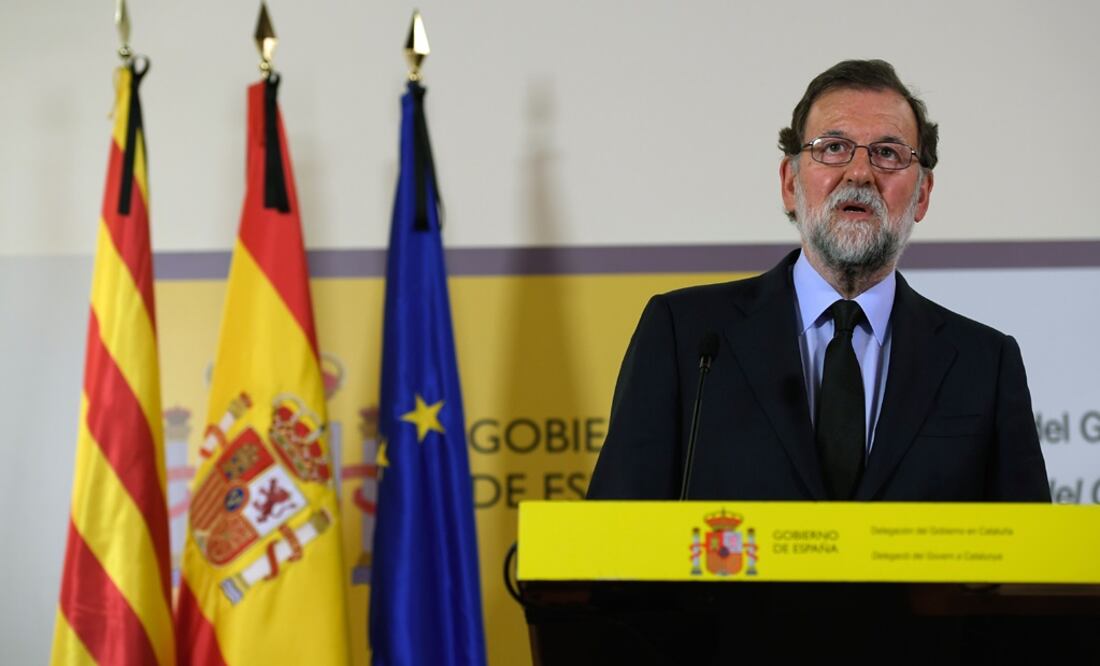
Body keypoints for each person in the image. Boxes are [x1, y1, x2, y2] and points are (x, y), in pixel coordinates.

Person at [587, 59, 1050, 502]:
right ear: (790, 183)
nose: (860, 173)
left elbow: (1032, 551)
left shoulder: (984, 364)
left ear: (922, 195)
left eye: (888, 153)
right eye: (833, 148)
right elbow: (615, 532)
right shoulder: (686, 336)